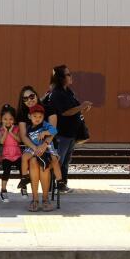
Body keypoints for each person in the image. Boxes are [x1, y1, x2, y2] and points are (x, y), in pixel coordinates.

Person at [45, 65, 92, 194]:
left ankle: (62, 185)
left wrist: (83, 107)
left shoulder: (68, 92)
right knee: (58, 160)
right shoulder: (57, 94)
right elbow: (65, 112)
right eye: (68, 74)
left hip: (71, 134)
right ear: (61, 78)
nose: (71, 76)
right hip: (62, 134)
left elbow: (75, 107)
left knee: (65, 161)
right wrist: (81, 106)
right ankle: (50, 187)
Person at [24, 104, 59, 212]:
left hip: (47, 150)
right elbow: (24, 137)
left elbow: (54, 131)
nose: (38, 118)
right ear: (30, 116)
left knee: (45, 164)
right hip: (33, 152)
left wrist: (45, 136)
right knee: (34, 161)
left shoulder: (45, 124)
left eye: (40, 116)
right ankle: (35, 199)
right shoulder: (29, 126)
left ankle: (45, 199)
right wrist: (35, 149)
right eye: (35, 116)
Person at [14, 86, 41, 196]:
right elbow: (23, 136)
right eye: (25, 99)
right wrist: (35, 148)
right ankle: (25, 178)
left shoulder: (44, 110)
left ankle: (43, 198)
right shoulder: (22, 114)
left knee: (35, 162)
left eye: (31, 96)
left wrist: (43, 146)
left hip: (44, 145)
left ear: (36, 95)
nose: (29, 100)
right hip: (31, 146)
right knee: (29, 160)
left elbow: (51, 130)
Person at [0, 104, 21, 203]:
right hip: (6, 156)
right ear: (1, 120)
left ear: (14, 120)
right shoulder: (0, 130)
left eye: (10, 119)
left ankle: (23, 187)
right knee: (6, 171)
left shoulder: (16, 129)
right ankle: (3, 190)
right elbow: (1, 141)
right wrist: (6, 131)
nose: (8, 121)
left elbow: (19, 140)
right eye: (5, 119)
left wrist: (11, 132)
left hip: (17, 154)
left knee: (22, 169)